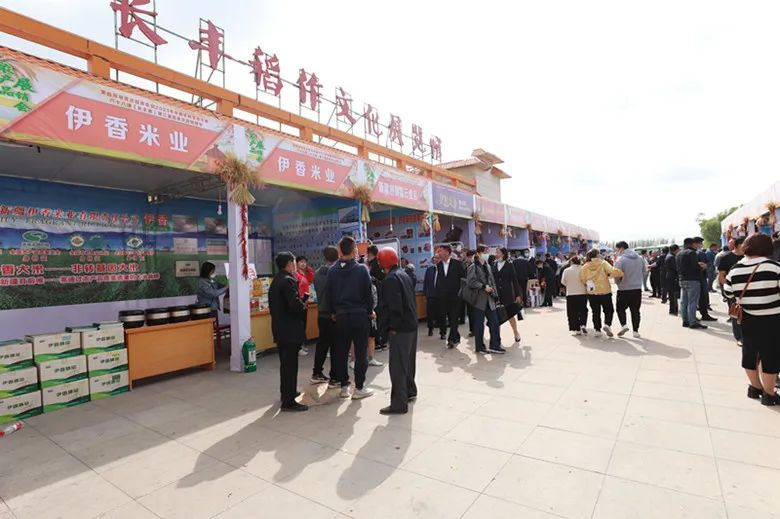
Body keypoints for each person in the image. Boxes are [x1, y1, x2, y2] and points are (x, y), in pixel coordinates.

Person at [723, 233, 780, 406]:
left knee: (750, 353)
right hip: (772, 318)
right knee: (770, 355)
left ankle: (755, 387)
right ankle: (769, 394)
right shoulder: (774, 267)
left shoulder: (735, 269)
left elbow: (728, 292)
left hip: (747, 318)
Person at [326, 236, 374, 400]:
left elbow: (328, 295)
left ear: (339, 251)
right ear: (354, 250)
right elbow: (368, 294)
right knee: (360, 352)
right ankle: (359, 387)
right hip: (359, 316)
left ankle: (344, 386)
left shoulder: (332, 271)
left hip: (340, 317)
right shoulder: (362, 269)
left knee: (341, 352)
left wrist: (333, 312)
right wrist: (370, 311)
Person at [376, 247, 418, 415]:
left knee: (397, 367)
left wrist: (392, 327)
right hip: (411, 326)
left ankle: (399, 404)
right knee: (408, 363)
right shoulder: (403, 274)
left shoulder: (390, 280)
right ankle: (410, 391)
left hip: (400, 329)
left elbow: (395, 307)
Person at [268, 252, 308, 412]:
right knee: (290, 366)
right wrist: (303, 304)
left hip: (280, 329)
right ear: (290, 263)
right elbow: (295, 305)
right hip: (290, 330)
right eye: (294, 262)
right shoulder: (288, 280)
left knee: (285, 364)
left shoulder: (276, 280)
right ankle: (289, 401)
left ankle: (287, 393)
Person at [467, 245, 505, 354]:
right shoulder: (473, 267)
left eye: (487, 252)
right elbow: (471, 282)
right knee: (479, 325)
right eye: (485, 252)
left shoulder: (487, 266)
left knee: (494, 322)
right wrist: (483, 287)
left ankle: (495, 345)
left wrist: (496, 295)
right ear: (478, 253)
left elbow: (492, 281)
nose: (487, 254)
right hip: (479, 299)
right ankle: (480, 347)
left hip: (490, 299)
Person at [580, 248, 623, 337]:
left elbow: (583, 279)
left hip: (592, 293)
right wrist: (621, 273)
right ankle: (607, 324)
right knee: (609, 310)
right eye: (599, 253)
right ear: (597, 255)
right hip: (605, 291)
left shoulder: (585, 266)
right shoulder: (603, 263)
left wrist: (588, 284)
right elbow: (612, 271)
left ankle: (597, 330)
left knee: (595, 312)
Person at [311, 246, 338, 385]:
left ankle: (316, 372)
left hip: (321, 312)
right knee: (335, 346)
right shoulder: (336, 272)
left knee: (322, 344)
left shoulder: (316, 274)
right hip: (333, 314)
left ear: (324, 257)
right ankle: (335, 376)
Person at [435, 244, 466, 348]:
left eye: (441, 251)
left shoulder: (457, 264)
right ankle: (456, 335)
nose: (439, 253)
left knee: (454, 317)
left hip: (456, 297)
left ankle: (451, 340)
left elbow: (464, 278)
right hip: (444, 297)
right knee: (450, 318)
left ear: (447, 252)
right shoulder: (439, 265)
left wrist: (461, 292)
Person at [614, 241, 647, 338]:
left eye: (617, 249)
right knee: (635, 310)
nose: (617, 251)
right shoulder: (640, 258)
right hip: (637, 288)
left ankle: (624, 325)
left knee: (620, 308)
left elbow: (616, 274)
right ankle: (635, 331)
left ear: (621, 248)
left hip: (624, 289)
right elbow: (644, 270)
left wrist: (618, 283)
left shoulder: (620, 259)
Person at [719, 237, 746, 345]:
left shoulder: (748, 257)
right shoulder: (726, 258)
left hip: (747, 290)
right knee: (736, 313)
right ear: (738, 245)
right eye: (744, 244)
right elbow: (721, 275)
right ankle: (739, 337)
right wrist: (726, 289)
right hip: (733, 291)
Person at [492, 247, 523, 343]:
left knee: (510, 315)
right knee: (497, 316)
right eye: (496, 252)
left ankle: (515, 332)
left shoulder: (509, 265)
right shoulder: (494, 264)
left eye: (498, 252)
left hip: (507, 293)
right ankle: (497, 338)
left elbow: (514, 280)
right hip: (496, 294)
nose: (496, 254)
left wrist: (517, 294)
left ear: (503, 254)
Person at [678, 238, 708, 329]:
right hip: (693, 280)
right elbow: (694, 266)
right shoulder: (692, 253)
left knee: (684, 302)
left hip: (682, 279)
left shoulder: (679, 253)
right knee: (692, 302)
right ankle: (692, 321)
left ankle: (685, 320)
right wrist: (702, 267)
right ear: (692, 244)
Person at [366, 245, 388, 352]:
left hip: (376, 296)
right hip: (382, 296)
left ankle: (378, 342)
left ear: (370, 253)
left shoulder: (372, 265)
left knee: (377, 320)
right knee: (381, 319)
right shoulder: (380, 264)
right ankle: (383, 342)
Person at [561, 255, 588, 335]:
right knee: (583, 310)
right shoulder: (583, 269)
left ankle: (576, 328)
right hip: (582, 293)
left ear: (571, 262)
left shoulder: (566, 270)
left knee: (572, 312)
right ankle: (583, 324)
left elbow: (563, 282)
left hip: (571, 293)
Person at [294, 256, 315, 356]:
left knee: (303, 325)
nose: (303, 264)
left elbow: (311, 279)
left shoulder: (303, 274)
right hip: (299, 302)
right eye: (301, 262)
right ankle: (298, 347)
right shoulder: (296, 274)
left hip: (305, 303)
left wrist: (309, 269)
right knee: (299, 325)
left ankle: (302, 345)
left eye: (305, 262)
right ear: (296, 263)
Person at [694, 237, 716, 322]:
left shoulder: (699, 253)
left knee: (699, 297)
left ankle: (700, 314)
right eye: (700, 243)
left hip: (698, 277)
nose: (701, 245)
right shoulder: (698, 253)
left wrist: (705, 265)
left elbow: (708, 263)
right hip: (699, 277)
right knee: (702, 296)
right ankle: (703, 314)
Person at [422, 255, 440, 336]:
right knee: (430, 313)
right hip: (431, 295)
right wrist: (424, 294)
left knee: (440, 313)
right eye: (434, 258)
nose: (435, 259)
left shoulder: (443, 269)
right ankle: (430, 329)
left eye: (437, 258)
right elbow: (426, 282)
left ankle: (442, 331)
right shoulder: (429, 270)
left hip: (440, 295)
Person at [664, 245, 681, 315]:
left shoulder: (669, 256)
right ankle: (674, 309)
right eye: (678, 250)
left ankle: (673, 309)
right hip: (672, 277)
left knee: (672, 294)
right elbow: (676, 268)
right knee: (673, 294)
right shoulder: (671, 257)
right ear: (675, 250)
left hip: (670, 277)